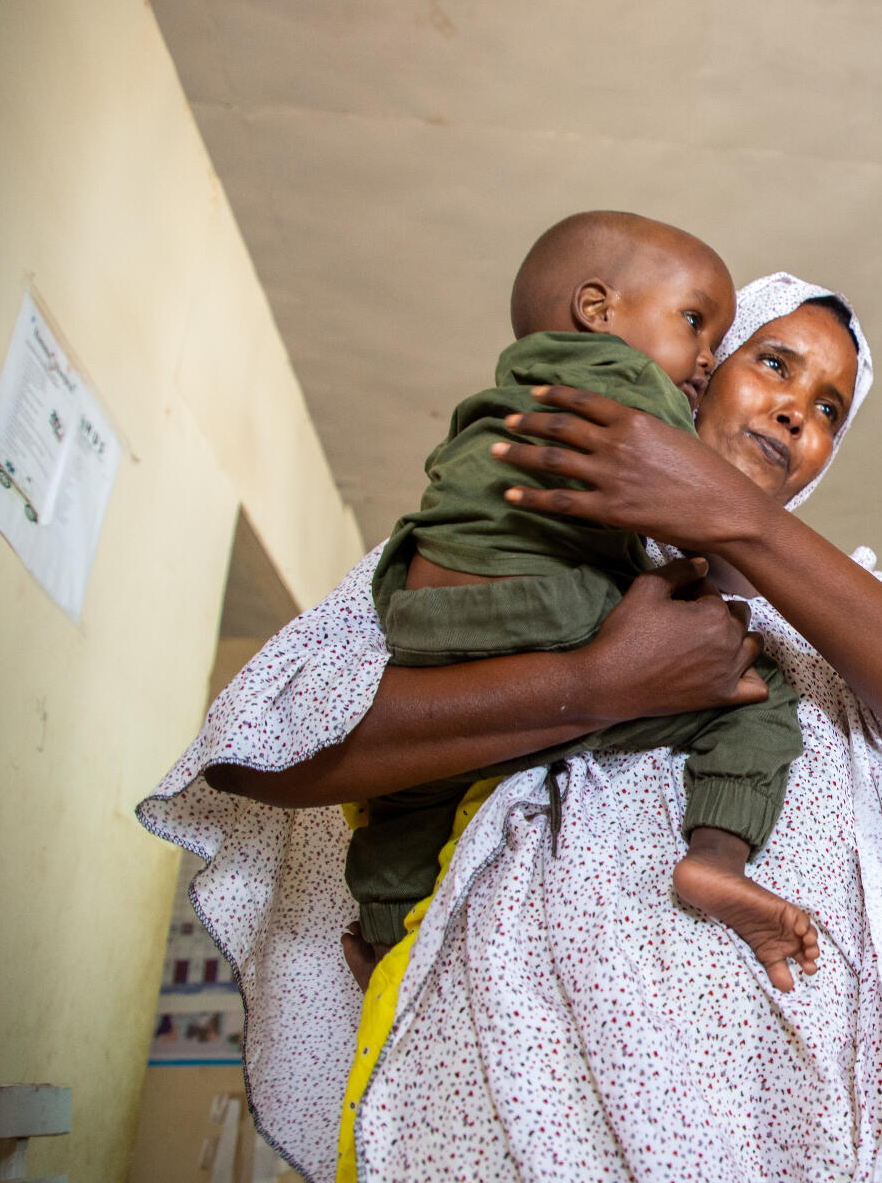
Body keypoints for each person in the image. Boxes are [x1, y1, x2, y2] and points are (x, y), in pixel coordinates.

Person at [137, 271, 882, 1183]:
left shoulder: (846, 618)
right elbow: (267, 752)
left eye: (830, 406)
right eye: (775, 363)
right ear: (699, 372)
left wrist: (734, 520)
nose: (798, 412)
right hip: (492, 1115)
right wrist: (596, 684)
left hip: (770, 1143)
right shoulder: (513, 536)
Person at [350, 210, 817, 992]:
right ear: (598, 311)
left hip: (421, 621)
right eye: (699, 325)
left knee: (406, 796)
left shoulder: (515, 392)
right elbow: (682, 503)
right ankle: (716, 859)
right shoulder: (631, 393)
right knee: (757, 685)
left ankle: (382, 931)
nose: (704, 359)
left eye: (829, 408)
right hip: (548, 613)